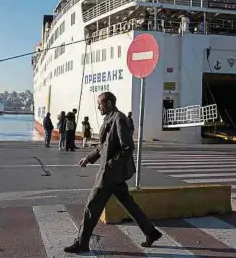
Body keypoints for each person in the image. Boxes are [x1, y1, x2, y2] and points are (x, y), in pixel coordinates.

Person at [64, 92, 162, 253]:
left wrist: (110, 165)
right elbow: (103, 145)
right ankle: (151, 232)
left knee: (92, 205)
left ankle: (82, 242)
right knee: (128, 203)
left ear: (108, 103)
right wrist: (89, 158)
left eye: (100, 104)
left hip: (109, 174)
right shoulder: (111, 118)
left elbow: (128, 147)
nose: (98, 107)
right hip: (113, 174)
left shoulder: (119, 119)